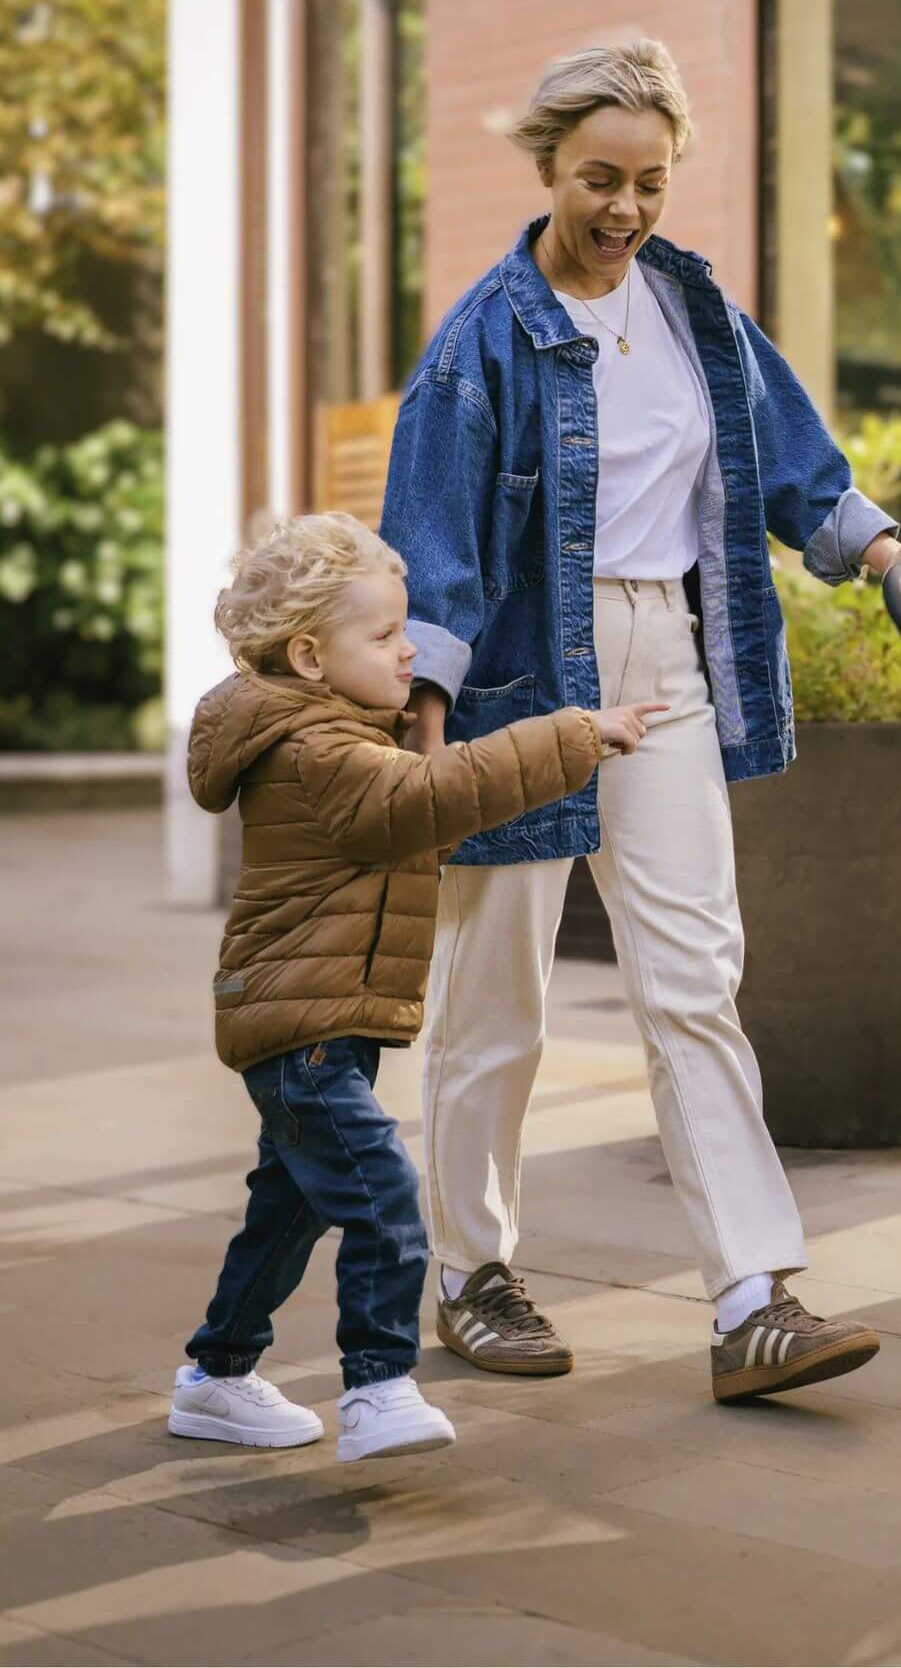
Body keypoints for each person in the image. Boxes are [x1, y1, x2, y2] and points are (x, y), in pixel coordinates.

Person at [381, 37, 901, 1401]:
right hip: (520, 674)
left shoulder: (695, 309)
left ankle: (756, 1299)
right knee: (495, 998)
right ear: (547, 169)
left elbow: (794, 467)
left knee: (695, 978)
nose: (626, 209)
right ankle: (469, 1275)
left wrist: (882, 547)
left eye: (648, 181)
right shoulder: (482, 338)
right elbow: (434, 540)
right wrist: (424, 717)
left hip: (665, 657)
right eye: (599, 179)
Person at [169, 513, 661, 1460]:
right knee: (388, 1202)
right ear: (310, 656)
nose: (409, 653)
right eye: (386, 637)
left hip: (314, 1020)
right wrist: (574, 735)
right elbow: (425, 801)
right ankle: (377, 1387)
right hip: (301, 1027)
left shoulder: (335, 732)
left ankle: (218, 1375)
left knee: (289, 1209)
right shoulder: (320, 755)